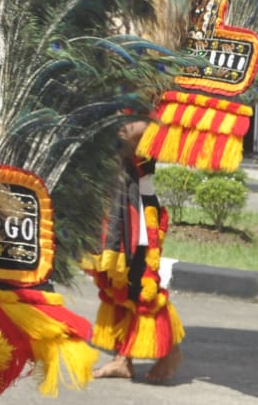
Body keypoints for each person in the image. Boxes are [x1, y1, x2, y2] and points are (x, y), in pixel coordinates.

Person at [85, 114, 184, 383]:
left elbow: (124, 137)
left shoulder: (152, 116)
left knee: (140, 285)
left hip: (138, 210)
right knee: (114, 283)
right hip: (115, 204)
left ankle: (170, 352)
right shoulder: (123, 105)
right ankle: (122, 359)